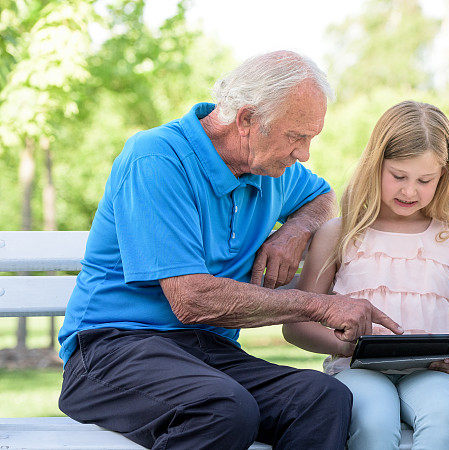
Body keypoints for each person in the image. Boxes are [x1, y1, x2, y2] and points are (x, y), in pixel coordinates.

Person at [57, 51, 402, 450]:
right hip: (111, 350)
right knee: (222, 408)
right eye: (297, 137)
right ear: (247, 121)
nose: (304, 153)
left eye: (310, 138)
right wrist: (319, 306)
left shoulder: (273, 171)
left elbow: (322, 196)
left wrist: (296, 229)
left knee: (322, 398)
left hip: (206, 351)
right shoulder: (156, 158)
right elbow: (192, 299)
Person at [282, 100, 449, 450]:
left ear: (443, 177)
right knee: (374, 422)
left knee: (445, 416)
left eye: (425, 180)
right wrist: (346, 344)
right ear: (376, 165)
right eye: (398, 176)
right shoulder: (340, 233)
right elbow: (297, 325)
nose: (410, 191)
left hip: (429, 374)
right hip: (358, 371)